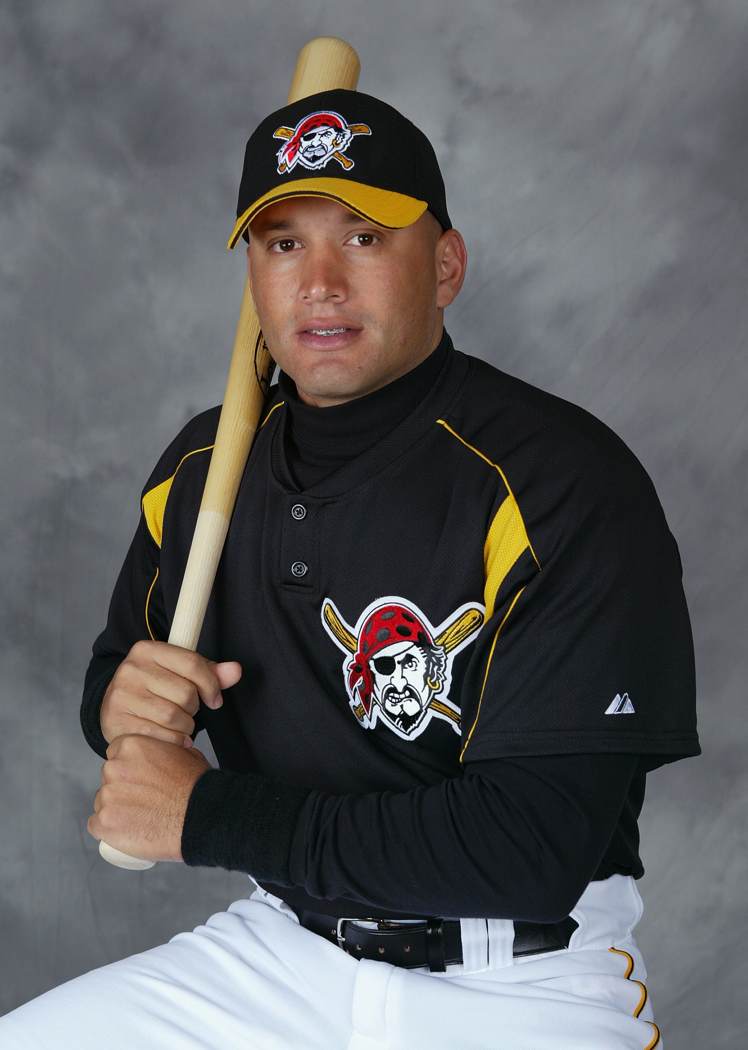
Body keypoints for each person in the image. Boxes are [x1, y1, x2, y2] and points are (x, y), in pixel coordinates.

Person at [0, 87, 700, 1050]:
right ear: (253, 275)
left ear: (445, 266)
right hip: (282, 952)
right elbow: (127, 676)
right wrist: (119, 707)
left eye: (364, 238)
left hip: (519, 978)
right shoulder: (204, 467)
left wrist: (207, 814)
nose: (320, 283)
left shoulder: (558, 482)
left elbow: (529, 848)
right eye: (283, 243)